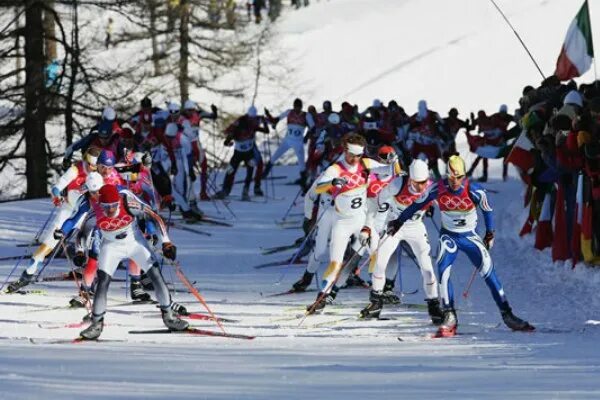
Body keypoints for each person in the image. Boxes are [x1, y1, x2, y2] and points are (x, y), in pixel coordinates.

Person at [388, 155, 534, 336]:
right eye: (451, 177)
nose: (455, 182)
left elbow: (487, 209)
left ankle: (508, 314)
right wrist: (398, 222)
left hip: (470, 237)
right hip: (449, 237)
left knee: (489, 273)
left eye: (459, 177)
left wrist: (490, 233)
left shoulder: (474, 190)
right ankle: (449, 316)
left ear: (464, 175)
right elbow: (416, 205)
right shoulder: (437, 189)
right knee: (442, 271)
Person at [56, 184, 188, 340]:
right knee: (102, 283)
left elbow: (153, 215)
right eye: (106, 206)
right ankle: (96, 323)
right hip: (111, 247)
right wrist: (77, 248)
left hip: (135, 243)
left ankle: (169, 317)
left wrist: (166, 242)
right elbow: (81, 230)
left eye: (113, 206)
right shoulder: (96, 211)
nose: (110, 210)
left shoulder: (128, 203)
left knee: (155, 275)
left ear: (118, 201)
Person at [305, 133, 393, 314]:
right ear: (344, 151)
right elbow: (319, 186)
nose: (354, 159)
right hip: (342, 223)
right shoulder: (336, 168)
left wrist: (394, 160)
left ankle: (377, 298)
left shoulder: (365, 164)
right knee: (336, 263)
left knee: (377, 256)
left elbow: (389, 171)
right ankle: (321, 298)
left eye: (358, 155)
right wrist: (332, 182)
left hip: (362, 220)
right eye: (351, 154)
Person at [6, 147, 101, 293]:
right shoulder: (75, 170)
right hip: (68, 211)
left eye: (95, 166)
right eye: (89, 164)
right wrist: (56, 196)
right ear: (85, 160)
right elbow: (57, 187)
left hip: (85, 212)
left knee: (88, 242)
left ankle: (88, 281)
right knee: (48, 244)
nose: (92, 169)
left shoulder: (99, 173)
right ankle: (27, 276)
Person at [359, 158, 442, 323]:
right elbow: (380, 200)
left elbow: (446, 204)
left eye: (424, 182)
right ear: (410, 178)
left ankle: (434, 306)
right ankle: (375, 303)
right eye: (417, 182)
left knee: (427, 268)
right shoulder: (399, 183)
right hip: (394, 227)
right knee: (380, 263)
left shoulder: (432, 187)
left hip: (416, 228)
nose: (420, 186)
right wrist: (378, 225)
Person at [216, 106, 270, 200]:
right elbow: (229, 136)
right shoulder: (240, 124)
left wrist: (265, 123)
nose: (252, 120)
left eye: (253, 118)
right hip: (238, 153)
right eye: (250, 118)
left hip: (249, 152)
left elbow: (266, 131)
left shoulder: (254, 122)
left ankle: (245, 191)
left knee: (250, 169)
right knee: (231, 170)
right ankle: (225, 190)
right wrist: (228, 142)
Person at [263, 98, 315, 183]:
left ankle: (303, 179)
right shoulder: (289, 112)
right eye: (295, 107)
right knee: (274, 156)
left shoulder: (306, 115)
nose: (296, 109)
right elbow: (276, 120)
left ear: (301, 107)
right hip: (287, 141)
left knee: (301, 163)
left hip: (298, 143)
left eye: (298, 107)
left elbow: (313, 128)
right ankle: (264, 174)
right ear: (293, 106)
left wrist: (306, 136)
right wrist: (268, 115)